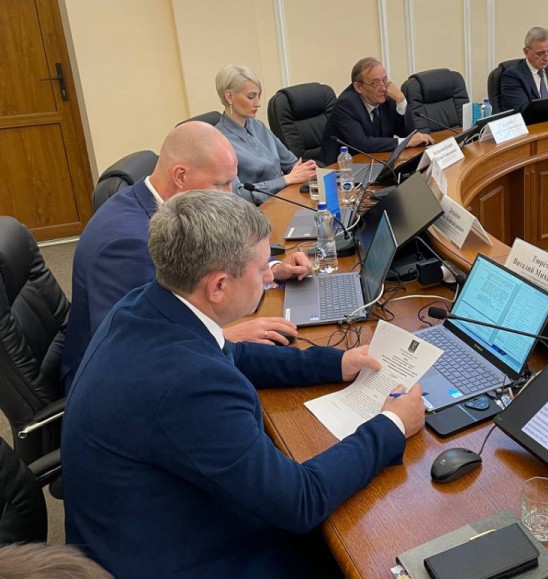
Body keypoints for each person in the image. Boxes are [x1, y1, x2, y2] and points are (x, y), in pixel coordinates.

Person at [63, 190, 426, 578]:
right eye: (261, 268)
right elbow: (299, 501)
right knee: (378, 550)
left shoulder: (147, 303)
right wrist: (391, 425)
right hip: (178, 558)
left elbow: (231, 353)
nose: (271, 275)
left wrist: (336, 363)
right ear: (218, 286)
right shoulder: (189, 385)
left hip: (144, 518)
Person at [59, 122, 311, 393]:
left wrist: (268, 267)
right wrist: (221, 336)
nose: (231, 195)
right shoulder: (128, 243)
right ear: (180, 176)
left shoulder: (169, 213)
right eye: (221, 184)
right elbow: (130, 343)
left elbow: (213, 253)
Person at [215, 64, 317, 204]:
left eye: (258, 96)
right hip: (257, 210)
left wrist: (305, 171)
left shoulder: (258, 125)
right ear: (229, 96)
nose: (258, 103)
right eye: (251, 97)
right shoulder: (219, 141)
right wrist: (285, 180)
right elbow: (238, 195)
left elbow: (292, 164)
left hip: (284, 199)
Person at [319, 57, 434, 165]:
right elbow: (362, 144)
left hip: (376, 162)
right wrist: (405, 142)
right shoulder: (346, 104)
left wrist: (401, 100)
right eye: (375, 83)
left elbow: (409, 134)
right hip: (341, 168)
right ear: (358, 87)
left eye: (385, 80)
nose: (383, 87)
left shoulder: (386, 96)